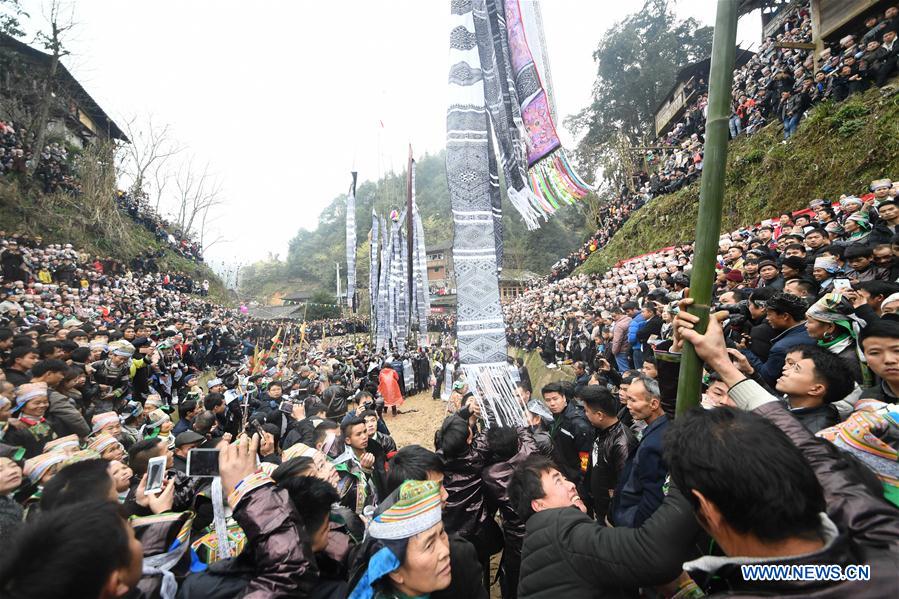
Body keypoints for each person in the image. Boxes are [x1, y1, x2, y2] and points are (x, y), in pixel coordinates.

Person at [509, 454, 699, 599]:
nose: (571, 485)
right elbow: (653, 553)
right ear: (539, 505)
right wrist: (684, 474)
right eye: (558, 481)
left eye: (565, 478)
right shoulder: (560, 530)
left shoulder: (539, 542)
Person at [348, 480, 455, 599]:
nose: (445, 551)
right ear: (395, 571)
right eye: (429, 545)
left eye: (441, 533)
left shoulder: (460, 568)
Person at [610, 374, 669, 528]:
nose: (628, 405)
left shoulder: (655, 443)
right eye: (628, 399)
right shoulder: (657, 429)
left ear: (654, 403)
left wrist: (633, 525)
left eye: (633, 400)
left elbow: (652, 497)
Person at [579, 385, 636, 523]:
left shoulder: (622, 443)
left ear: (599, 415)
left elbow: (625, 487)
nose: (584, 414)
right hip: (599, 506)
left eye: (586, 411)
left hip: (610, 515)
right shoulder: (599, 430)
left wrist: (610, 515)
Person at [741, 292, 816, 387]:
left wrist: (745, 351)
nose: (767, 318)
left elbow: (765, 377)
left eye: (769, 314)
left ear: (785, 316)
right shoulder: (813, 331)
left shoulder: (781, 348)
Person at [541, 382, 593, 491]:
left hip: (578, 477)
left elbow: (585, 456)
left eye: (555, 399)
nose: (552, 403)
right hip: (564, 470)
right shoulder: (554, 416)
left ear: (563, 397)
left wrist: (582, 479)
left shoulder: (577, 423)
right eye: (548, 400)